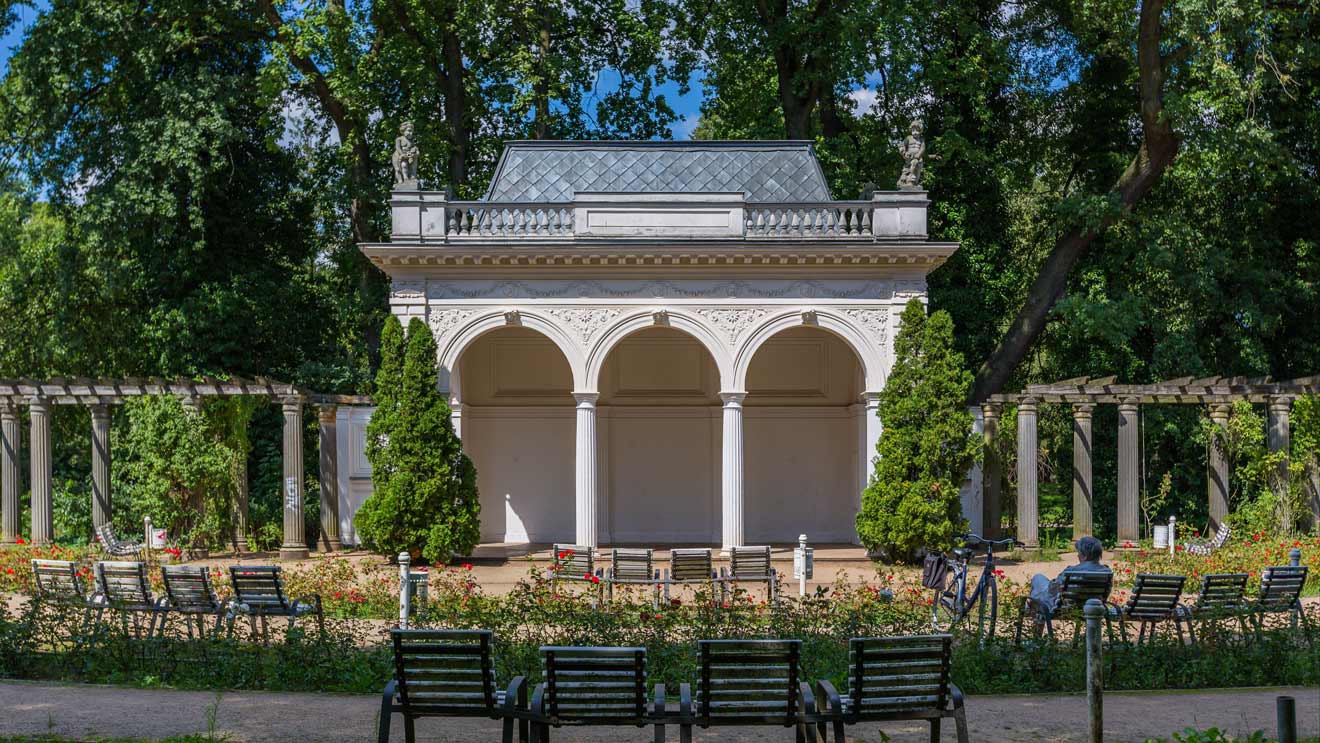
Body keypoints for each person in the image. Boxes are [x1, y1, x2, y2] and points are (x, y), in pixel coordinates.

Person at [1028, 536, 1110, 616]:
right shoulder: (1106, 572)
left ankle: (1031, 610)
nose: (1077, 556)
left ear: (1085, 556)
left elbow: (1052, 589)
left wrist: (1053, 582)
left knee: (1038, 578)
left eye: (1079, 553)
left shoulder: (1071, 571)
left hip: (1065, 608)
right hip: (1095, 608)